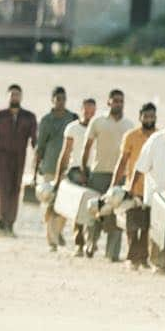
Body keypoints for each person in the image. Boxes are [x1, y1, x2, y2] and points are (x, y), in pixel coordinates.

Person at [132, 111, 165, 273]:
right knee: (157, 229)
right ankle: (157, 262)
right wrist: (132, 187)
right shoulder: (155, 140)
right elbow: (141, 165)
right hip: (157, 194)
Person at [81, 89, 133, 260]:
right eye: (115, 100)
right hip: (99, 172)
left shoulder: (129, 125)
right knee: (96, 210)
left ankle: (112, 253)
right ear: (108, 102)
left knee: (116, 213)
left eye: (121, 101)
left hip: (120, 176)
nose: (118, 103)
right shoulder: (98, 121)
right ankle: (90, 244)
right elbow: (87, 147)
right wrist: (84, 169)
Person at [111, 102, 158, 270]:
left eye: (152, 116)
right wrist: (114, 185)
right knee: (131, 225)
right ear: (140, 117)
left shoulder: (159, 137)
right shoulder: (130, 136)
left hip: (152, 190)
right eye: (146, 116)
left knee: (146, 226)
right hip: (133, 187)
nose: (149, 119)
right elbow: (122, 161)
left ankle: (143, 258)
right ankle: (132, 258)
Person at [0, 83, 37, 237]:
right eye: (12, 94)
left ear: (21, 97)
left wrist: (38, 159)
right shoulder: (0, 116)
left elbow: (35, 141)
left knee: (15, 191)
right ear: (8, 96)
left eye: (17, 94)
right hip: (2, 157)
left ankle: (10, 224)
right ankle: (1, 223)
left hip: (19, 158)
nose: (14, 97)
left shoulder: (29, 117)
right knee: (2, 190)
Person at [35, 86, 78, 251]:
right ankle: (52, 239)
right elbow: (40, 146)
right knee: (50, 204)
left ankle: (57, 231)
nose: (60, 101)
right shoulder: (46, 120)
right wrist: (36, 168)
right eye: (58, 98)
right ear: (52, 100)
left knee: (65, 204)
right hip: (50, 167)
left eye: (63, 99)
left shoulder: (72, 118)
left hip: (67, 168)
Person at [55, 98, 97, 256]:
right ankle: (79, 242)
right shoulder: (72, 128)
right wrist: (59, 177)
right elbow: (65, 153)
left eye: (92, 112)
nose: (89, 115)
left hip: (94, 170)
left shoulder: (98, 127)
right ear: (81, 110)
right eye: (86, 112)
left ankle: (91, 241)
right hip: (76, 170)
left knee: (94, 207)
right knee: (78, 207)